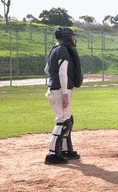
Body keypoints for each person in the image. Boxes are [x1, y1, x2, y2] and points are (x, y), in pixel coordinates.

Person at [44, 27, 83, 165]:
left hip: (55, 88)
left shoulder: (54, 49)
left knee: (67, 120)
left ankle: (65, 150)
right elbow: (62, 73)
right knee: (63, 121)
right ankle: (52, 154)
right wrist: (65, 93)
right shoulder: (64, 50)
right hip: (61, 89)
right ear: (67, 37)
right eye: (72, 36)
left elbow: (47, 69)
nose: (74, 39)